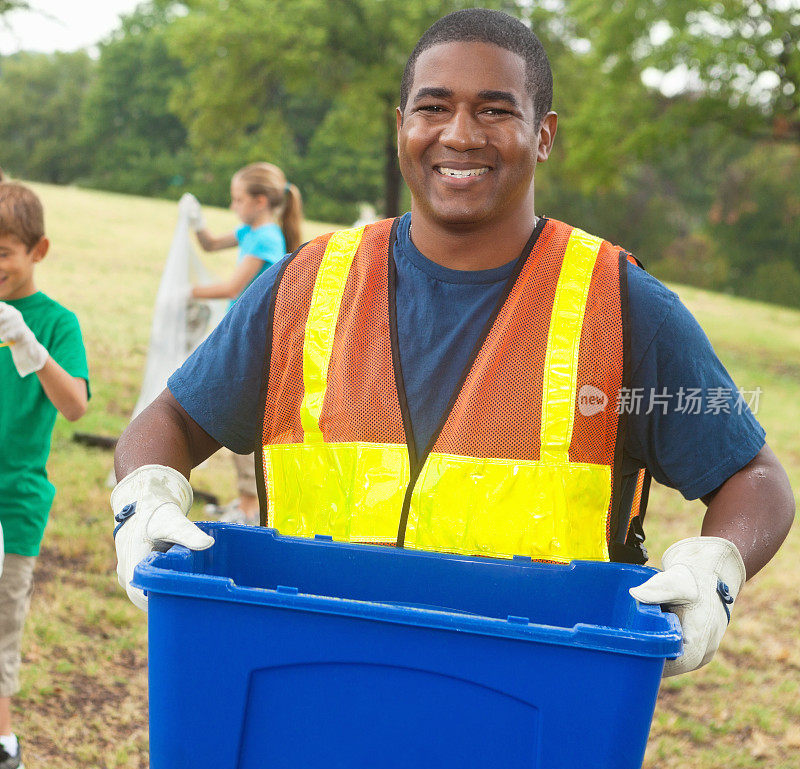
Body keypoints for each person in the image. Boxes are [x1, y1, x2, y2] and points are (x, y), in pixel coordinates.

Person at [112, 8, 793, 687]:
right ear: (402, 124)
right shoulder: (303, 285)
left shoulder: (622, 306)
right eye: (433, 107)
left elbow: (753, 477)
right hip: (314, 678)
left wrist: (715, 569)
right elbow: (170, 421)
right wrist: (145, 500)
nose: (460, 135)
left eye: (495, 111)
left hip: (534, 697)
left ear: (544, 134)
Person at [0, 183, 89, 769]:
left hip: (17, 500)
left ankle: (2, 733)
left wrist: (29, 346)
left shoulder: (57, 323)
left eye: (4, 250)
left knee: (3, 619)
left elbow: (77, 406)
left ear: (39, 250)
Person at [177, 163, 303, 525]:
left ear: (260, 201)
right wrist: (195, 219)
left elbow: (233, 288)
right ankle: (246, 501)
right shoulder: (251, 229)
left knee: (242, 418)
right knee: (234, 414)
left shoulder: (267, 238)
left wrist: (186, 292)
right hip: (245, 338)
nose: (233, 206)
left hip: (258, 343)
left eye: (237, 199)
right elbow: (211, 243)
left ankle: (250, 507)